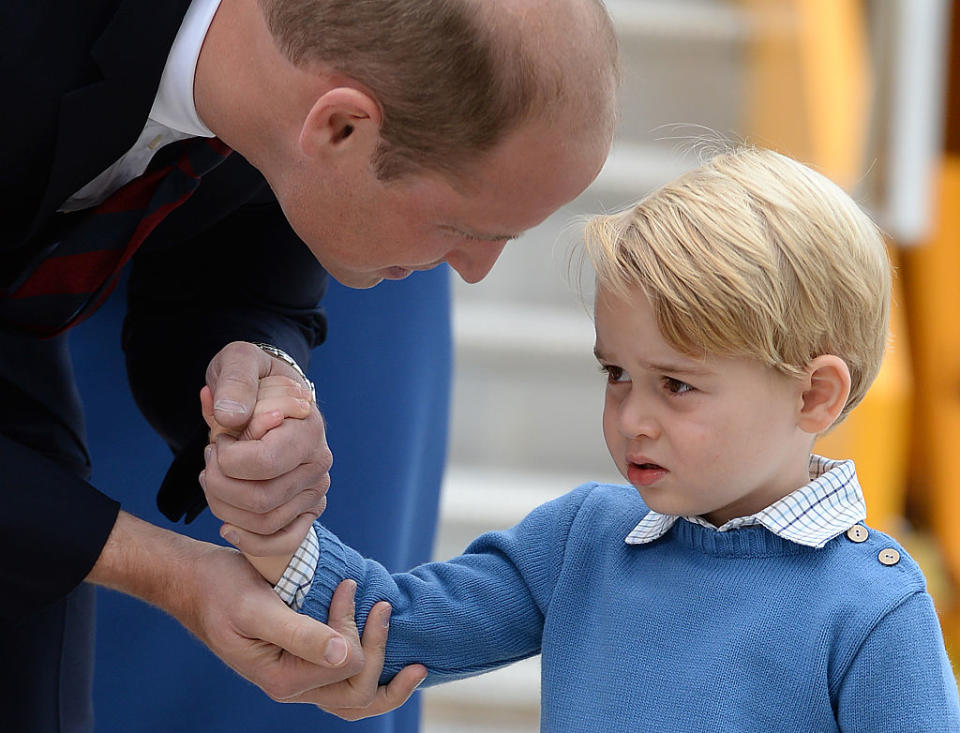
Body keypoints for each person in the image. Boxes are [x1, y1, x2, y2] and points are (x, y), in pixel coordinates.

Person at [0, 0, 619, 730]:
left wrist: (251, 367)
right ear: (341, 126)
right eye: (463, 228)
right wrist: (172, 571)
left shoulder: (282, 87)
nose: (475, 272)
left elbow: (231, 265)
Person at [232, 147, 960, 729]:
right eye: (617, 372)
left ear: (814, 393)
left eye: (676, 384)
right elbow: (404, 623)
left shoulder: (872, 609)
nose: (632, 416)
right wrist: (280, 543)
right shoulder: (582, 540)